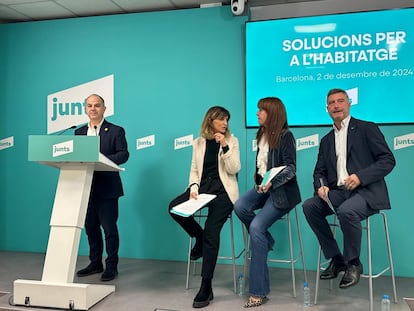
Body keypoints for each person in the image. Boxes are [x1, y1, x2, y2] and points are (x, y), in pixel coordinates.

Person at [302, 88, 395, 289]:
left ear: (348, 104)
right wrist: (321, 187)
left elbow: (388, 160)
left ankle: (353, 263)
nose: (336, 105)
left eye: (340, 101)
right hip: (338, 192)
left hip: (366, 191)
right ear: (327, 108)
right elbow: (319, 172)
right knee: (310, 206)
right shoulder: (326, 140)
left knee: (347, 211)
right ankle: (337, 259)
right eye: (332, 103)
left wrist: (361, 177)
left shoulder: (366, 128)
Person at [168, 106, 240, 308]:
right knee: (174, 208)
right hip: (203, 189)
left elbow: (234, 168)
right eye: (221, 119)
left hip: (224, 192)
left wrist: (224, 146)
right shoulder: (198, 143)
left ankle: (206, 286)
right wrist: (193, 187)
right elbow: (194, 170)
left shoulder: (232, 141)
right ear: (210, 121)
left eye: (227, 119)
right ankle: (198, 237)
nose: (225, 123)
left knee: (211, 231)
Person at [234, 97, 301, 308]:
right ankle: (268, 240)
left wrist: (272, 183)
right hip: (263, 188)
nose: (257, 113)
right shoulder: (262, 134)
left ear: (272, 113)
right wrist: (261, 184)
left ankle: (258, 292)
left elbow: (291, 169)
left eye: (261, 110)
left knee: (256, 226)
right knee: (240, 206)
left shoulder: (286, 136)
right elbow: (261, 166)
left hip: (282, 193)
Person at [75, 94, 129, 281]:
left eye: (97, 105)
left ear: (104, 109)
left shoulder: (115, 130)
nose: (93, 109)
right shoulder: (79, 132)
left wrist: (101, 160)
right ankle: (95, 263)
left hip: (107, 188)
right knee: (90, 228)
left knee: (109, 229)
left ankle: (111, 266)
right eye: (89, 105)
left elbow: (123, 154)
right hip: (85, 188)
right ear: (85, 109)